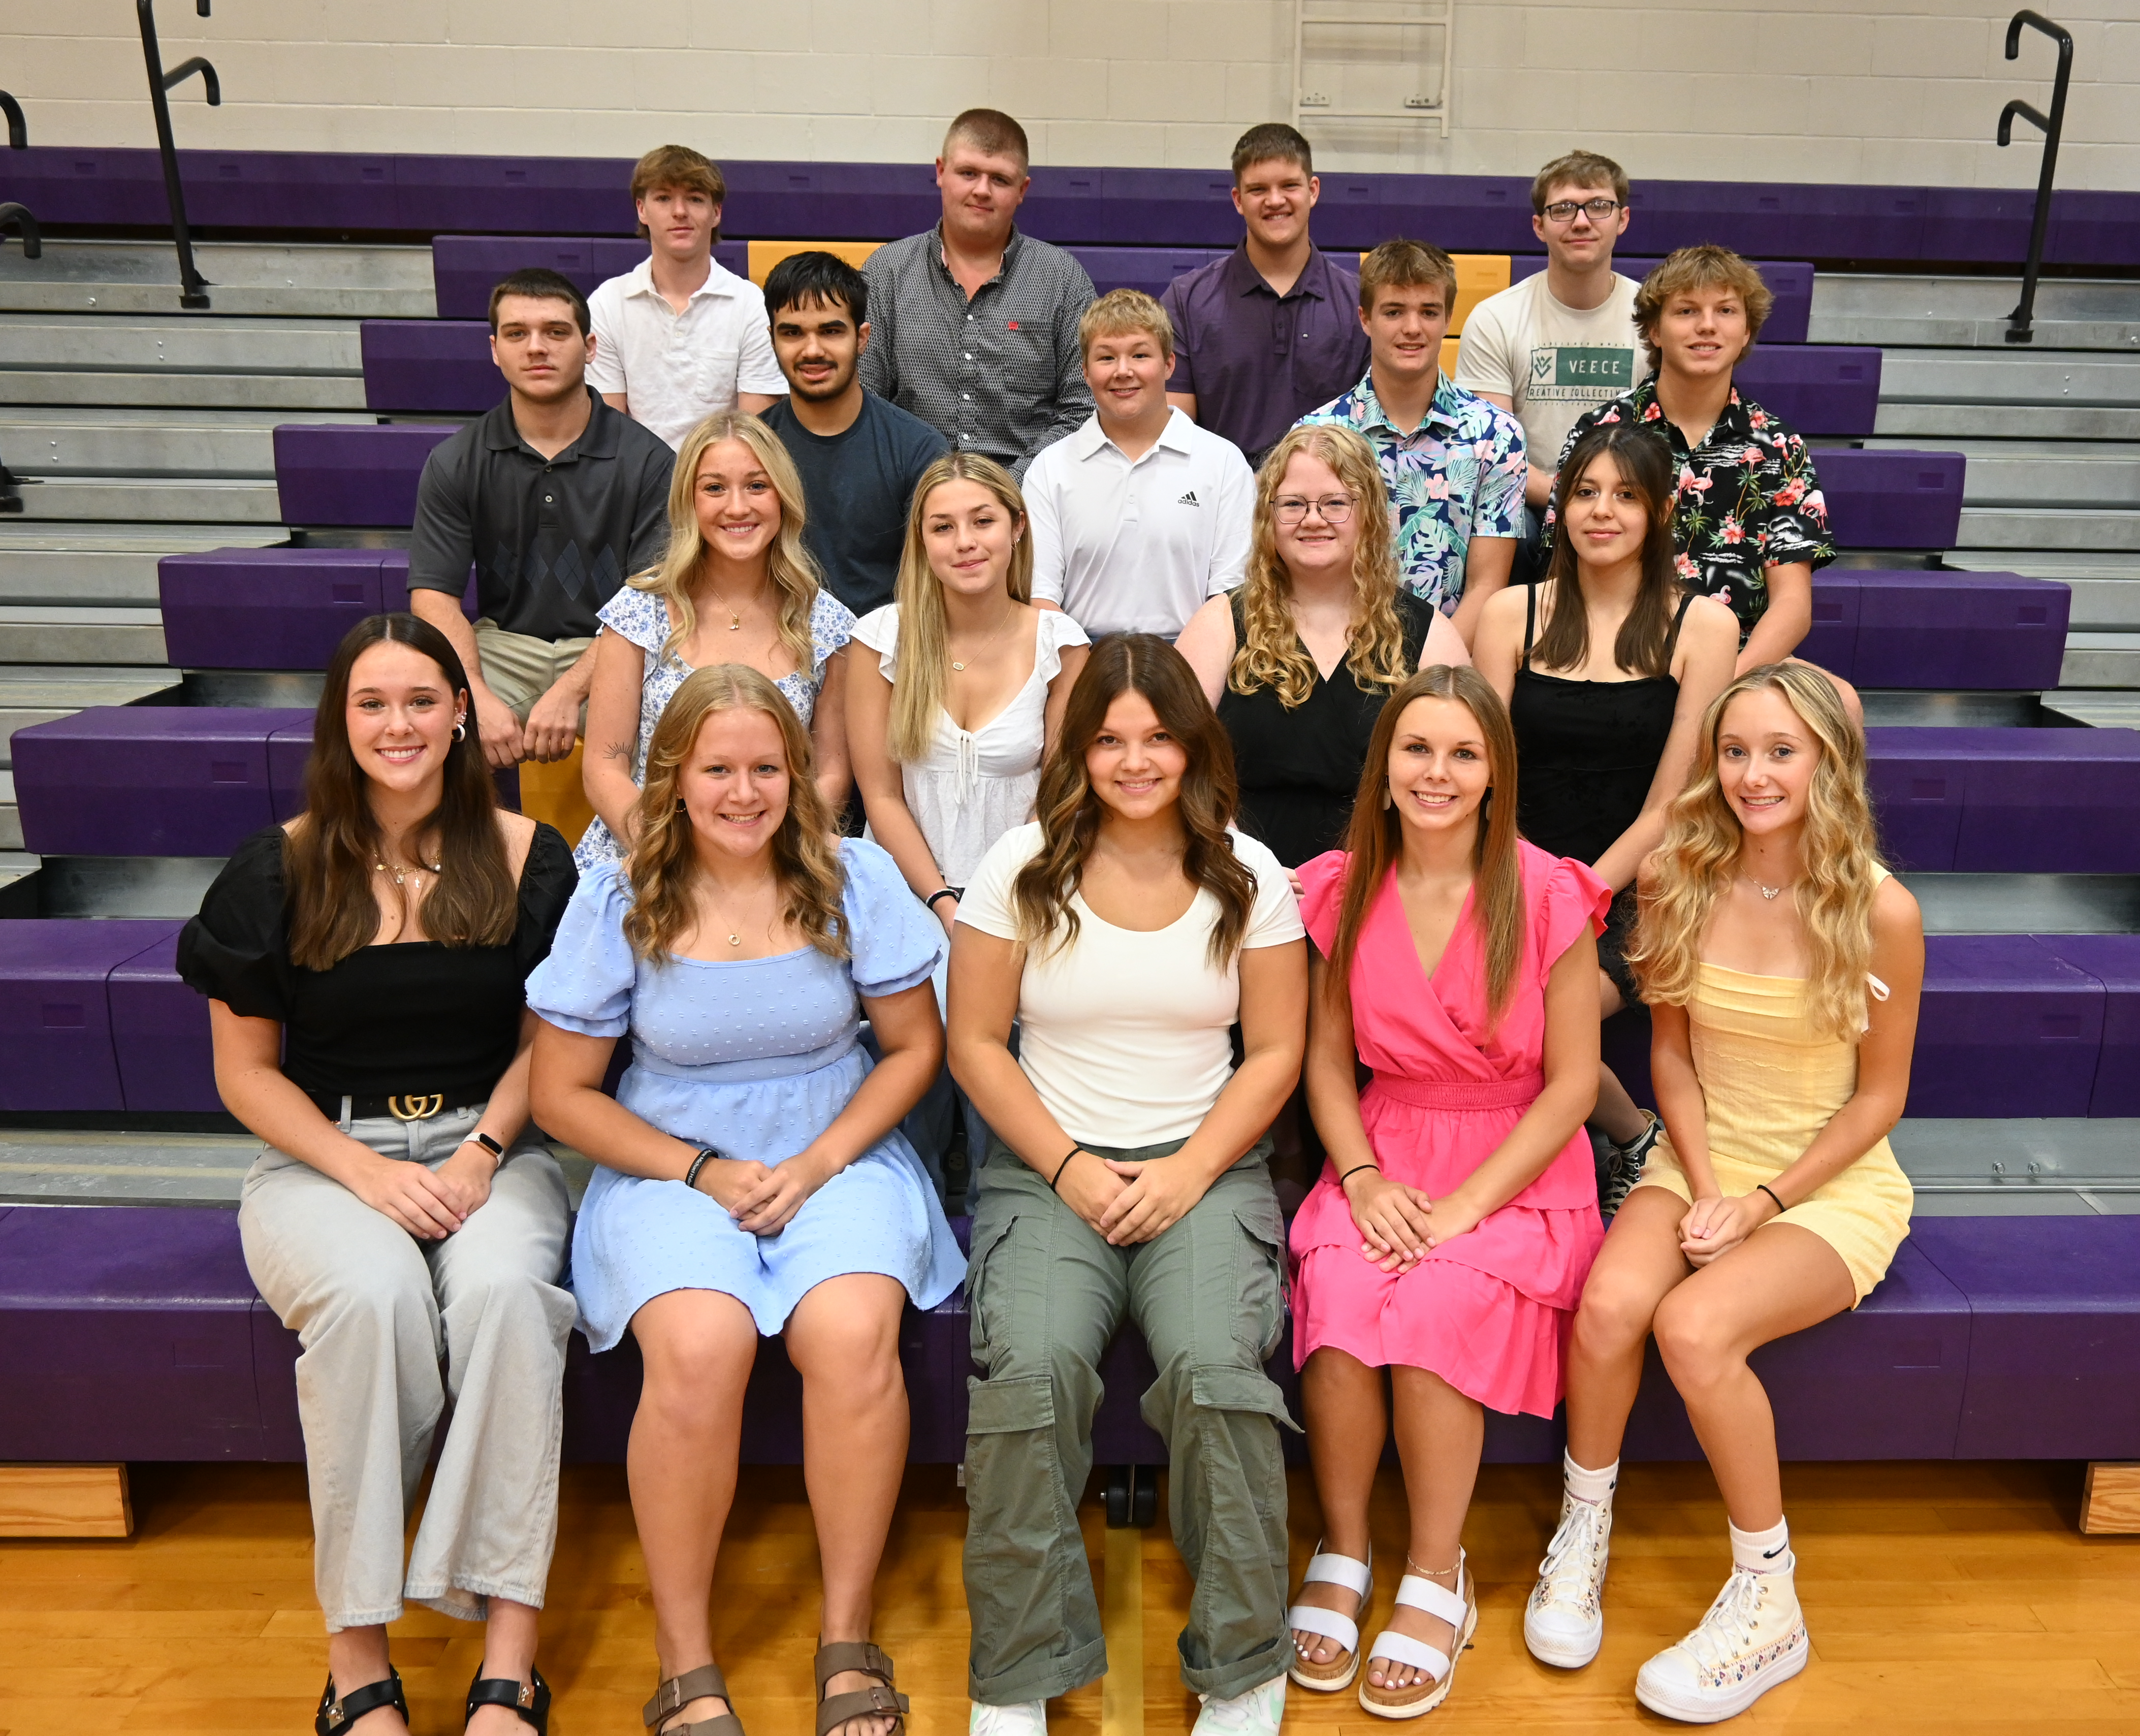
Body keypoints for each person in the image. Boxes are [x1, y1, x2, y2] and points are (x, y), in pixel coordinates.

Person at [527, 662, 963, 1736]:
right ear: (673, 776)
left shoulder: (854, 875)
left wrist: (816, 1164)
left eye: (765, 766)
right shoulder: (619, 891)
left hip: (835, 1150)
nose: (742, 791)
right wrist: (695, 1169)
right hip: (671, 1160)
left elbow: (914, 1050)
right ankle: (687, 1658)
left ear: (797, 774)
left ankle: (847, 1635)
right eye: (718, 767)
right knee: (700, 1343)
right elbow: (560, 1094)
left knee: (853, 1328)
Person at [177, 613, 578, 1736]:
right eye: (372, 703)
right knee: (372, 1300)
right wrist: (363, 1170)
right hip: (322, 1154)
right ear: (339, 722)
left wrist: (483, 1151)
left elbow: (556, 1041)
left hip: (496, 1142)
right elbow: (246, 1075)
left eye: (419, 700)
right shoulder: (279, 865)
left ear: (462, 713)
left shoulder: (525, 854)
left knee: (504, 1298)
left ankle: (510, 1662)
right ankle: (357, 1660)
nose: (397, 723)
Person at [1525, 664, 1922, 1723]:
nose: (1753, 774)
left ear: (1828, 761)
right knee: (1610, 1305)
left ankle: (1768, 1594)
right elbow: (1673, 1062)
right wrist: (1702, 1183)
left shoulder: (1882, 906)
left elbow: (1878, 1101)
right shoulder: (1677, 873)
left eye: (1781, 751)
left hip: (1827, 1182)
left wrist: (1759, 1203)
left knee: (1693, 1328)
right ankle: (1584, 1525)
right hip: (1700, 1154)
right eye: (1735, 750)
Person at [949, 636, 1308, 1736]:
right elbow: (975, 1042)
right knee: (1033, 1370)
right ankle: (1015, 1671)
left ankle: (1244, 1663)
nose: (1136, 759)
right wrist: (1067, 1164)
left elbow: (1276, 1053)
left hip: (1201, 1173)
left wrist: (1189, 1169)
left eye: (1158, 736)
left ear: (1194, 744)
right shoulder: (1020, 865)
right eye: (1110, 738)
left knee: (1215, 1371)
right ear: (1079, 750)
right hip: (1049, 1172)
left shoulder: (1252, 874)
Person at [1282, 664, 1607, 1719]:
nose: (1438, 770)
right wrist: (1363, 1173)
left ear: (1494, 776)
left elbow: (1571, 1086)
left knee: (1432, 1305)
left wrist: (1466, 1207)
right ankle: (1343, 1546)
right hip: (1384, 1139)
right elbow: (1327, 1064)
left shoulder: (1550, 890)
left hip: (1515, 1156)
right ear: (1382, 769)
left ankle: (1436, 1570)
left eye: (1464, 752)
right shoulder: (1338, 886)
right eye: (1417, 748)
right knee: (1335, 1295)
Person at [1474, 420, 1737, 1208]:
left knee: (1537, 1016)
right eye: (1585, 492)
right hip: (1510, 867)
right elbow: (1487, 773)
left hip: (1636, 886)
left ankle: (1625, 1135)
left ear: (1658, 512)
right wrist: (1524, 879)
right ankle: (1600, 1140)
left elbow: (1673, 801)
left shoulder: (1704, 625)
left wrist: (1577, 892)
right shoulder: (1509, 615)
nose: (1601, 511)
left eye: (1625, 495)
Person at [848, 452, 1090, 1199]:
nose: (965, 541)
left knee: (985, 1008)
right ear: (921, 543)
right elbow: (879, 795)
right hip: (905, 894)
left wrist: (984, 907)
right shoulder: (881, 638)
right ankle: (906, 1204)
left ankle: (1003, 1206)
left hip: (1024, 891)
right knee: (929, 998)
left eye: (983, 521)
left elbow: (1060, 793)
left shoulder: (1061, 643)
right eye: (943, 526)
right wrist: (943, 905)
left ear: (1017, 528)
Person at [407, 267, 675, 842]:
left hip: (614, 646)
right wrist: (473, 694)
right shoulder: (457, 460)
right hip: (502, 647)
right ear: (494, 351)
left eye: (556, 332)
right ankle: (442, 880)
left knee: (680, 710)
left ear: (590, 346)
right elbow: (433, 597)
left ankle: (657, 886)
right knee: (416, 704)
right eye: (516, 333)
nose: (536, 347)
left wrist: (570, 691)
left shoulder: (649, 461)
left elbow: (650, 602)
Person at [1178, 423, 1469, 869]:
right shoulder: (1218, 625)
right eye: (1293, 504)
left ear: (1369, 513)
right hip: (1239, 881)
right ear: (1267, 519)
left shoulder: (1429, 634)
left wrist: (1377, 867)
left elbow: (1462, 775)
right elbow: (1173, 760)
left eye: (1335, 503)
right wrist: (1242, 858)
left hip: (1383, 882)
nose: (1313, 519)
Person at [579, 412, 855, 869]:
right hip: (646, 856)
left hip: (778, 859)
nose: (737, 507)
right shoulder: (637, 610)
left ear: (783, 497)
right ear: (688, 501)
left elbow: (830, 773)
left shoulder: (827, 626)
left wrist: (775, 859)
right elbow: (606, 766)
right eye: (714, 488)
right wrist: (668, 856)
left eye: (756, 486)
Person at [1547, 245, 1837, 677]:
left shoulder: (1779, 446)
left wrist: (1723, 681)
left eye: (1725, 311)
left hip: (1737, 663)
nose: (1707, 326)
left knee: (1843, 704)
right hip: (1617, 655)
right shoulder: (1600, 431)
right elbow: (1562, 572)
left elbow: (1792, 606)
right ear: (1655, 331)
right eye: (1686, 311)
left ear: (1745, 333)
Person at [1298, 240, 1527, 646]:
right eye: (1393, 312)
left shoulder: (1496, 435)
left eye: (1428, 312)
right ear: (1365, 319)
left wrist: (1431, 670)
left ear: (1448, 318)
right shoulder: (1316, 434)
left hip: (1448, 664)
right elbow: (1306, 578)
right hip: (1337, 657)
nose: (1412, 328)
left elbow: (1485, 586)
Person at [859, 109, 1095, 475]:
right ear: (941, 172)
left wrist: (1010, 486)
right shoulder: (886, 273)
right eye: (968, 173)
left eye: (1000, 179)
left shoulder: (1062, 280)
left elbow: (1083, 407)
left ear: (1022, 190)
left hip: (1028, 503)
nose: (981, 190)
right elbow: (864, 401)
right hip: (910, 499)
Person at [1022, 290, 1255, 638]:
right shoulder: (1049, 470)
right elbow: (1040, 597)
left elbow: (1231, 597)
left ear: (1169, 365)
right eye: (1106, 358)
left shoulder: (1223, 463)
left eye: (1140, 354)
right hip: (1081, 659)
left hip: (1193, 661)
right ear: (1085, 371)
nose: (1123, 371)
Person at [1455, 149, 1643, 577]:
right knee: (1503, 527)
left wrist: (1608, 502)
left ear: (1622, 219)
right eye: (1563, 210)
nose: (1580, 222)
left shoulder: (1653, 317)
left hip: (1630, 500)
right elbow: (1495, 452)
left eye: (1598, 206)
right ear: (1539, 226)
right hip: (1533, 504)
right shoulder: (1496, 317)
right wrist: (1573, 497)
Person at [1160, 122, 1371, 469]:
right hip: (1221, 505)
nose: (1275, 201)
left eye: (1289, 185)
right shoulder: (1186, 302)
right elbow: (1175, 437)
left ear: (1313, 190)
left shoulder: (1358, 303)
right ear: (1238, 200)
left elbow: (1370, 432)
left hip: (1329, 510)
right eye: (1258, 189)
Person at [759, 250, 951, 618]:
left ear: (862, 338)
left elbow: (933, 587)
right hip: (774, 652)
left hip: (888, 651)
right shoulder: (751, 448)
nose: (812, 350)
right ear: (772, 339)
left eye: (831, 331)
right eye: (793, 333)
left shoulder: (918, 450)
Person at [587, 144, 786, 449]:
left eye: (695, 199)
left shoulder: (751, 304)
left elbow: (753, 437)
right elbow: (609, 433)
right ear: (642, 210)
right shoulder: (607, 304)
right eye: (664, 198)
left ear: (716, 212)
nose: (680, 212)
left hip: (721, 485)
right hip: (637, 486)